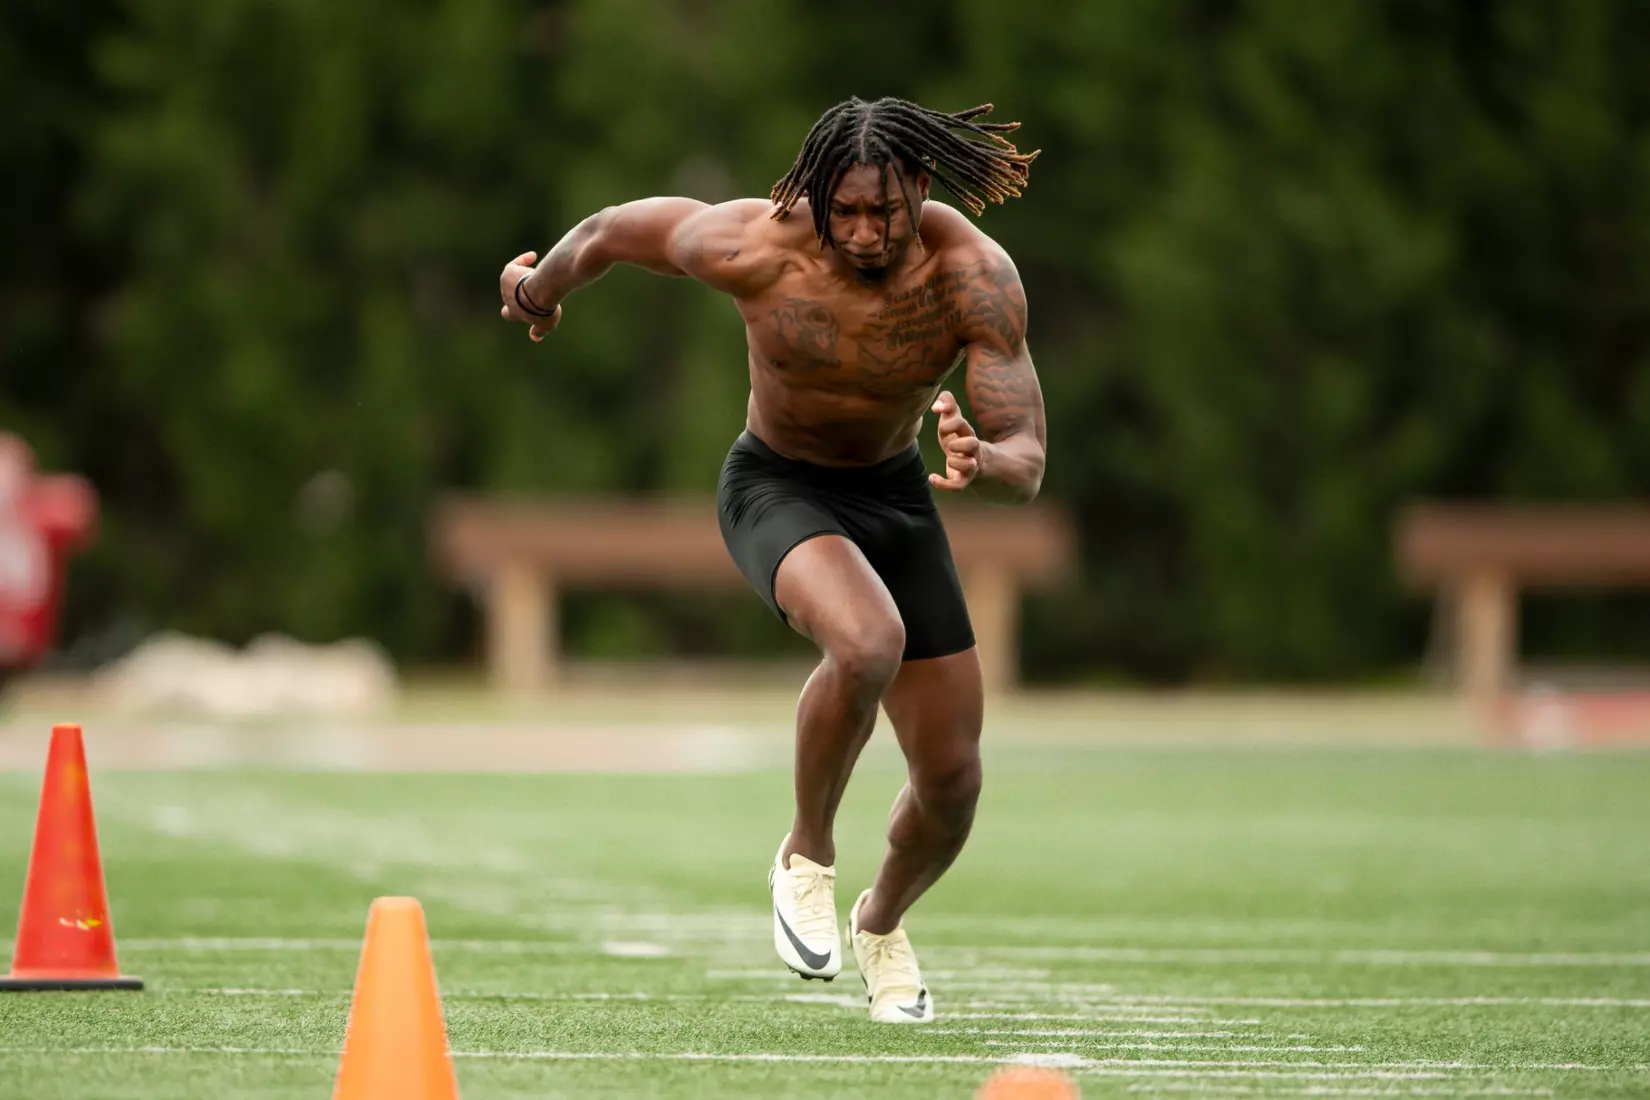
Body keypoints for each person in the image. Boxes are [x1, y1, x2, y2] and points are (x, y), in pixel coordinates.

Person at [498, 96, 1045, 1024]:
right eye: (845, 212)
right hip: (776, 485)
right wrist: (536, 293)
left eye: (884, 212)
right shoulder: (756, 245)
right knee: (867, 641)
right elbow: (610, 232)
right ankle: (805, 856)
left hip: (895, 497)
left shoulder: (975, 277)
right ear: (816, 199)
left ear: (921, 187)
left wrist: (985, 461)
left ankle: (880, 923)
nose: (864, 234)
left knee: (954, 783)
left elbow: (1026, 457)